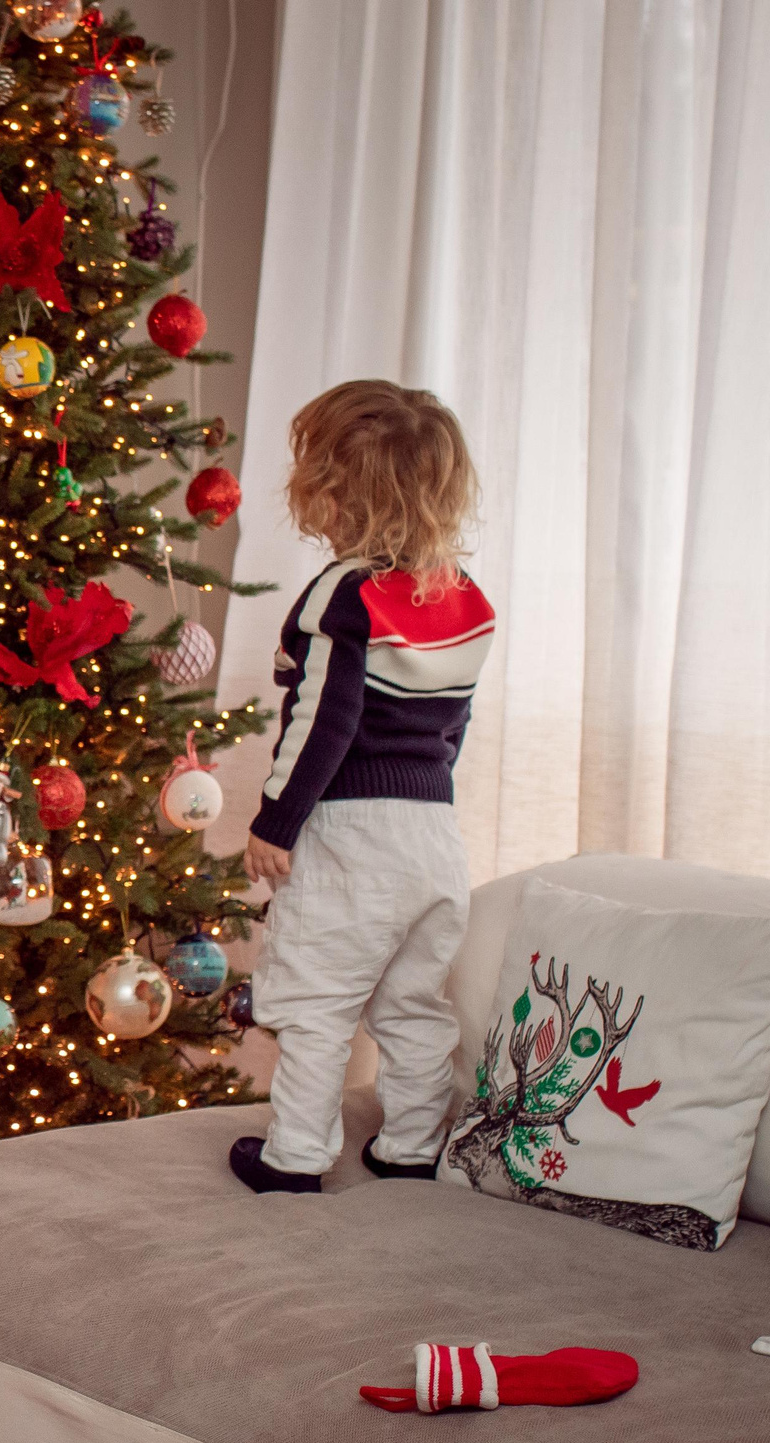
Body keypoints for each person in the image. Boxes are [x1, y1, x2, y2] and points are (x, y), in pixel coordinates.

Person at [230, 380, 498, 1194]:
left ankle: (296, 1156)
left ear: (335, 493)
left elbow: (323, 720)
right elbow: (454, 724)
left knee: (315, 997)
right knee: (414, 1002)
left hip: (350, 833)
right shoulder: (465, 599)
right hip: (432, 836)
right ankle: (411, 1145)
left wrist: (276, 819)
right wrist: (427, 798)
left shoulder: (346, 593)